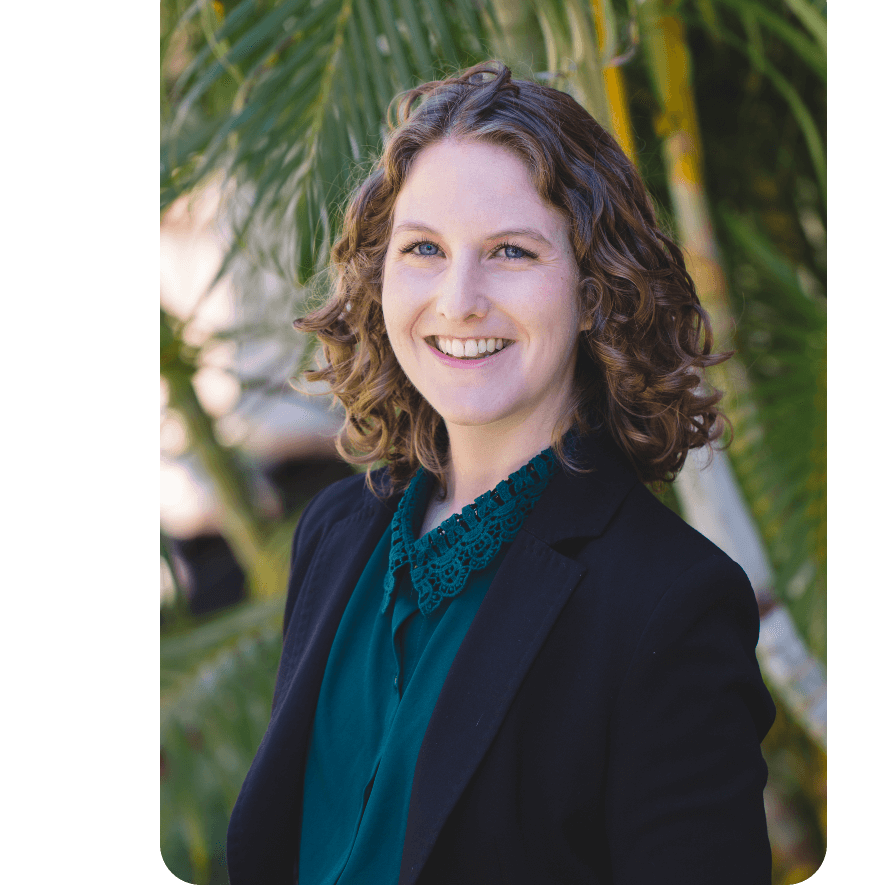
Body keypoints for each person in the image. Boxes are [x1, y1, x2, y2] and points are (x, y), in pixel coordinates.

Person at [227, 61, 775, 885]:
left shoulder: (672, 600)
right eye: (423, 249)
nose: (457, 299)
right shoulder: (336, 532)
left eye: (510, 252)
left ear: (596, 289)